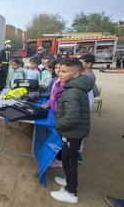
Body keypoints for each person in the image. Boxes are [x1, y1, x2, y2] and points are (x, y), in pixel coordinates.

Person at [50, 59, 93, 204]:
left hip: (71, 133)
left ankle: (71, 192)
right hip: (73, 132)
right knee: (68, 160)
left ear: (75, 74)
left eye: (64, 71)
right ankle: (68, 181)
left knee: (70, 162)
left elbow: (71, 118)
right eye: (59, 70)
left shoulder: (72, 92)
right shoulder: (73, 87)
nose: (59, 74)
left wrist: (59, 125)